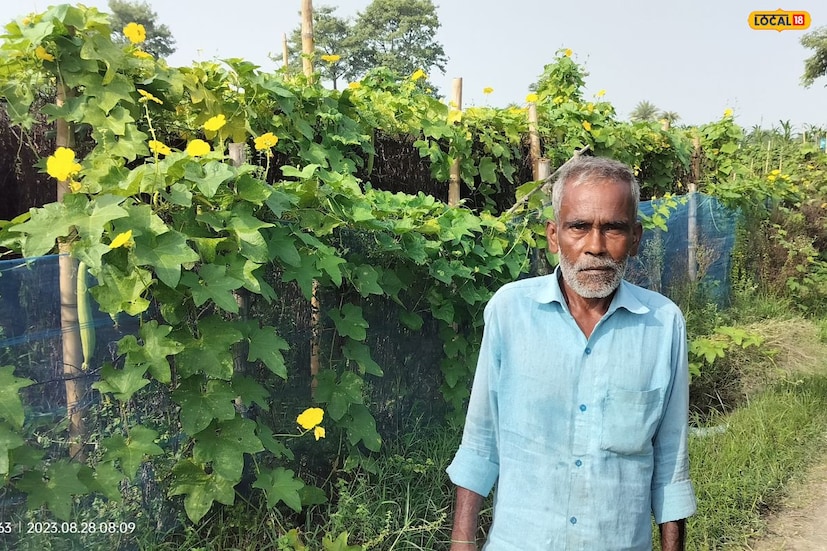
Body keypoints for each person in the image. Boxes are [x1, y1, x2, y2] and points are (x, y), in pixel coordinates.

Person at [446, 156, 697, 550]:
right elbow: (480, 441)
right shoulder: (510, 312)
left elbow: (671, 462)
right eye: (579, 227)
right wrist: (461, 543)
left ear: (635, 238)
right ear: (553, 236)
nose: (595, 247)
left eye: (613, 228)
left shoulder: (663, 325)